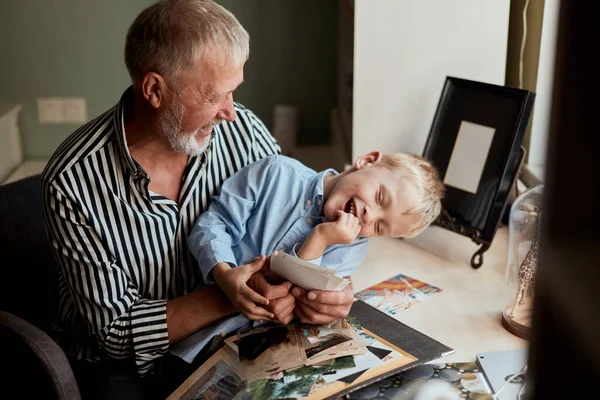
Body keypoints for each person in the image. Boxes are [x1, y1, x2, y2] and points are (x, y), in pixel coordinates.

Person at [40, 1, 296, 399]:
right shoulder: (73, 181)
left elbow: (293, 217)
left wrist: (319, 290)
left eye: (234, 92)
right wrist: (233, 293)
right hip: (126, 369)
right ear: (154, 89)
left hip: (227, 338)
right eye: (214, 96)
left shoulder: (242, 130)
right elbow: (116, 334)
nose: (231, 112)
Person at [187, 151, 444, 325]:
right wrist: (223, 272)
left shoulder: (351, 249)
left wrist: (320, 239)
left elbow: (288, 292)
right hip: (200, 322)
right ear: (366, 160)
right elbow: (213, 224)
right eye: (380, 197)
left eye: (379, 227)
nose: (369, 215)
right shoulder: (275, 172)